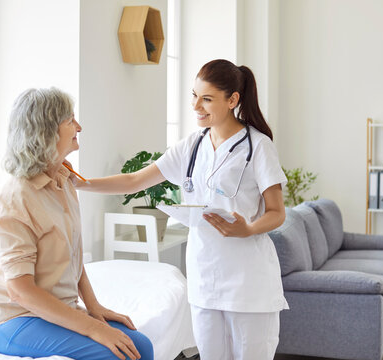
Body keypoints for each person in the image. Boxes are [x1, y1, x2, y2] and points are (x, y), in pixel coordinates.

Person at [74, 59, 289, 359]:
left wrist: (249, 228)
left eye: (206, 99)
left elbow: (277, 212)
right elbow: (135, 180)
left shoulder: (258, 146)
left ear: (233, 100)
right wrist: (81, 183)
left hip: (247, 283)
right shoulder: (192, 145)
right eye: (194, 95)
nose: (196, 105)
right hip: (204, 278)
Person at [0, 87, 153, 360]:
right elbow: (20, 292)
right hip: (13, 319)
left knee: (141, 346)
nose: (79, 126)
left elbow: (71, 255)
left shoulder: (62, 180)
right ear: (46, 131)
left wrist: (94, 306)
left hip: (55, 310)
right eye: (70, 120)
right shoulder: (14, 200)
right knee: (118, 355)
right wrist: (92, 329)